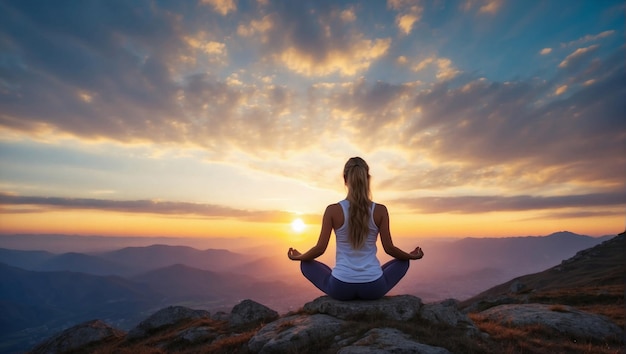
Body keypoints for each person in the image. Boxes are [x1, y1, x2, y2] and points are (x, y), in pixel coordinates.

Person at [287, 157, 424, 301]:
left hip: (341, 288)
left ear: (345, 179)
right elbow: (389, 249)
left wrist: (299, 257)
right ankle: (372, 277)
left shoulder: (333, 210)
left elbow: (320, 249)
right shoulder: (380, 210)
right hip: (373, 288)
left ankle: (340, 277)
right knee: (403, 261)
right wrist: (411, 256)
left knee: (306, 263)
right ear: (367, 179)